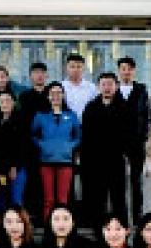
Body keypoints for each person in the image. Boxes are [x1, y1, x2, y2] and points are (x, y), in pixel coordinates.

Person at [79, 73, 129, 230]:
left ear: (116, 86)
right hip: (95, 161)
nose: (107, 88)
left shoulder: (124, 107)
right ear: (98, 87)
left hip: (116, 159)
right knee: (97, 198)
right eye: (104, 84)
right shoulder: (91, 107)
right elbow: (85, 135)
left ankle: (121, 229)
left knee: (118, 198)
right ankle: (97, 230)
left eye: (110, 84)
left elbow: (129, 133)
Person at [30, 81, 80, 221]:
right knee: (49, 199)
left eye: (59, 93)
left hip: (65, 161)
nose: (56, 96)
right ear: (48, 96)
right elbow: (33, 134)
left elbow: (78, 135)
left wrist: (70, 146)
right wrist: (42, 145)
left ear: (63, 95)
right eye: (53, 93)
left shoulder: (71, 115)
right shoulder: (41, 115)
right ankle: (48, 229)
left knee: (63, 199)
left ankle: (63, 227)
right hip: (46, 161)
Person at [117, 56, 151, 224]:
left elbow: (146, 115)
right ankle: (122, 217)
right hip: (118, 142)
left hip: (136, 141)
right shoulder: (114, 90)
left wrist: (144, 135)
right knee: (119, 181)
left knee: (136, 181)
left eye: (129, 69)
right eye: (123, 68)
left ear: (133, 71)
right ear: (119, 71)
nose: (126, 72)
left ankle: (138, 217)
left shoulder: (141, 89)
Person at [60, 53, 97, 121]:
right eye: (72, 67)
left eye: (79, 67)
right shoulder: (61, 87)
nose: (75, 70)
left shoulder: (92, 88)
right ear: (67, 68)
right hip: (66, 124)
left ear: (83, 68)